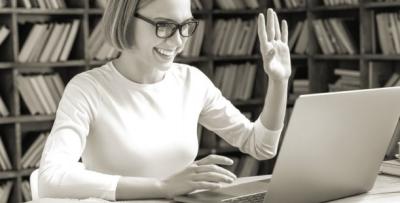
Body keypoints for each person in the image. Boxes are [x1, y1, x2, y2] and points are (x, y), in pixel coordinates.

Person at [38, 0, 291, 201]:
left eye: (185, 26)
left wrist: (279, 81)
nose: (178, 41)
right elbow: (51, 178)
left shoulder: (192, 81)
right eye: (164, 26)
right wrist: (162, 187)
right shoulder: (87, 88)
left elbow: (261, 146)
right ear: (126, 20)